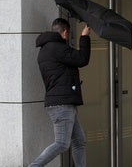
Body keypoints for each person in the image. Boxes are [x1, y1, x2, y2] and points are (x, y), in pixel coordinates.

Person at [28, 18, 91, 167]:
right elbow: (82, 59)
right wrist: (85, 37)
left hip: (61, 102)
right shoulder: (58, 48)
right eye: (68, 34)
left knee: (79, 141)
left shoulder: (45, 50)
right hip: (61, 104)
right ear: (64, 32)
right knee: (62, 143)